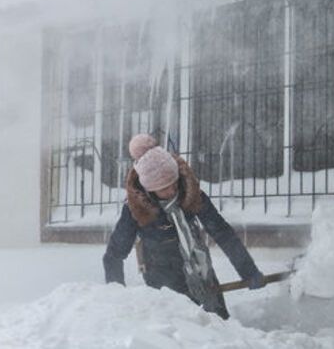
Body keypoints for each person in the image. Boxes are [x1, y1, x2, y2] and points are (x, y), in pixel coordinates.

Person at [103, 134, 265, 319]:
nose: (172, 191)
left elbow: (223, 233)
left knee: (220, 331)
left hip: (203, 278)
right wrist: (116, 299)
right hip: (164, 290)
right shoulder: (136, 208)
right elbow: (114, 255)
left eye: (173, 183)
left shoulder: (190, 194)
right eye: (164, 188)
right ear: (149, 188)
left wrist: (248, 272)